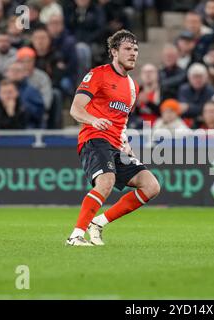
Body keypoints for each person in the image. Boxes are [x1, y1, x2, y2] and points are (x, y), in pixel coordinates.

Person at [67, 30, 160, 246]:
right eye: (128, 49)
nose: (133, 53)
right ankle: (76, 236)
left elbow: (121, 122)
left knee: (151, 186)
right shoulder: (98, 74)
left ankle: (98, 223)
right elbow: (75, 109)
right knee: (106, 181)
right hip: (94, 138)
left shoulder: (133, 87)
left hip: (117, 145)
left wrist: (126, 144)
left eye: (136, 49)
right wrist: (93, 120)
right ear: (114, 52)